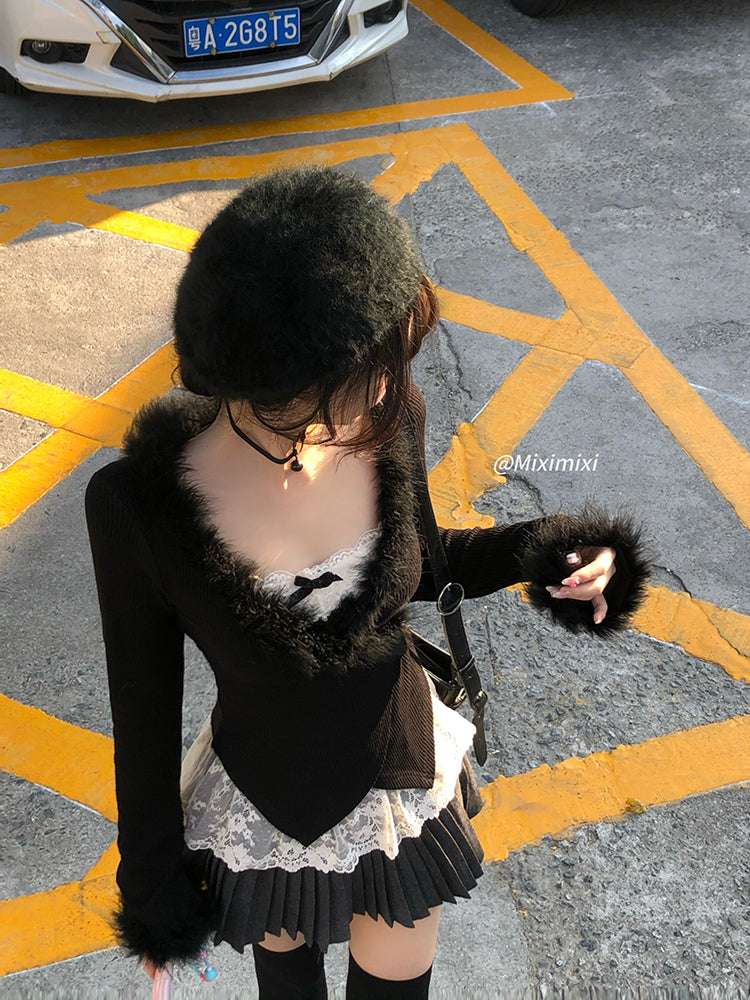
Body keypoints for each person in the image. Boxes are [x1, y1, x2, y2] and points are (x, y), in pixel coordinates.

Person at [84, 165, 653, 998]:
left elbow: (427, 562)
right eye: (367, 368)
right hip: (263, 800)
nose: (390, 386)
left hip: (399, 784)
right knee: (287, 984)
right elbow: (141, 709)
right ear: (280, 378)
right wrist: (153, 893)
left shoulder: (389, 418)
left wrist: (556, 550)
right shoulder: (139, 506)